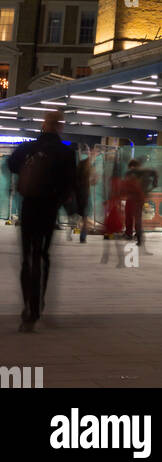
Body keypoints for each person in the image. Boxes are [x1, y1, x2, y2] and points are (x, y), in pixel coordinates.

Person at [8, 111, 77, 332]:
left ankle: (28, 307)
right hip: (49, 210)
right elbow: (70, 183)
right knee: (43, 255)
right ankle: (39, 304)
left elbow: (10, 165)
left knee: (27, 256)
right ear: (59, 127)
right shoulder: (66, 152)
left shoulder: (27, 148)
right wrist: (71, 208)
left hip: (29, 207)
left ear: (43, 126)